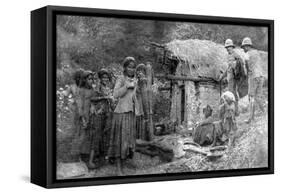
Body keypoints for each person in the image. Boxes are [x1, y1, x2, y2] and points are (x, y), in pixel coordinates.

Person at [107, 56, 139, 175]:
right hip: (121, 113)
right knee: (120, 140)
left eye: (133, 67)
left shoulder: (135, 80)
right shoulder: (121, 79)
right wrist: (127, 86)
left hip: (130, 113)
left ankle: (124, 163)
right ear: (125, 67)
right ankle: (118, 168)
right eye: (129, 67)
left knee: (128, 140)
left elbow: (134, 97)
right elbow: (115, 94)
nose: (132, 70)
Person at [88, 68, 114, 169]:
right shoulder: (97, 87)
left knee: (106, 135)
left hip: (107, 114)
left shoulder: (108, 87)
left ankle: (103, 159)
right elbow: (92, 99)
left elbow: (110, 102)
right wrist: (104, 98)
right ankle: (90, 161)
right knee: (96, 136)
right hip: (98, 114)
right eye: (103, 77)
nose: (106, 79)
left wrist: (112, 102)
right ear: (100, 78)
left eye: (107, 78)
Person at [241, 37, 265, 123]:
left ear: (247, 46)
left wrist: (247, 75)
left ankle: (251, 118)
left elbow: (247, 68)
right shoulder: (257, 53)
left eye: (244, 47)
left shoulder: (247, 54)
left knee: (251, 97)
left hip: (253, 77)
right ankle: (265, 113)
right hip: (261, 76)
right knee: (258, 96)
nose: (243, 48)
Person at [219, 39, 246, 116]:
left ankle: (233, 112)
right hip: (229, 78)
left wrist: (235, 65)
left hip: (234, 78)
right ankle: (235, 112)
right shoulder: (228, 56)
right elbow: (228, 68)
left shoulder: (235, 54)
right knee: (232, 94)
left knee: (231, 95)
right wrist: (222, 76)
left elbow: (241, 64)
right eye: (226, 47)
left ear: (232, 47)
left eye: (229, 47)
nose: (227, 48)